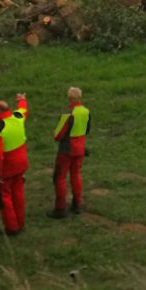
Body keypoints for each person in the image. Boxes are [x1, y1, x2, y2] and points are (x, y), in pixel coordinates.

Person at [0, 93, 30, 236]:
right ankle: (21, 223)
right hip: (22, 164)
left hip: (7, 168)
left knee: (5, 197)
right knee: (18, 193)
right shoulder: (18, 117)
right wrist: (21, 99)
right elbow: (24, 109)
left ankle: (11, 227)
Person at [49, 86, 91, 219]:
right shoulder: (86, 112)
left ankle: (60, 208)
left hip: (67, 150)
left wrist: (54, 133)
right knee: (76, 175)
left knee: (60, 177)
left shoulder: (68, 115)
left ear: (69, 98)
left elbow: (58, 135)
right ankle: (77, 204)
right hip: (80, 148)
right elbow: (87, 129)